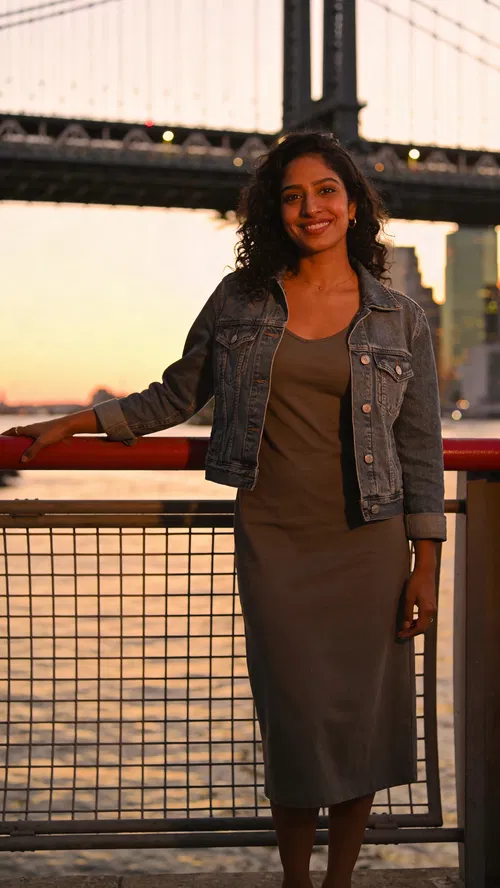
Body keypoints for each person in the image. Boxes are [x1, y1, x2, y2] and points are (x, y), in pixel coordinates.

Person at [4, 131, 446, 888]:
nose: (312, 207)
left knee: (359, 720)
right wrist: (68, 423)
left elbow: (420, 450)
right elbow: (176, 394)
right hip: (276, 538)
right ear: (277, 211)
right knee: (297, 721)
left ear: (353, 204)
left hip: (368, 541)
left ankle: (339, 880)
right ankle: (296, 880)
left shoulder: (399, 317)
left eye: (326, 191)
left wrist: (425, 565)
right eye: (292, 195)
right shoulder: (241, 299)